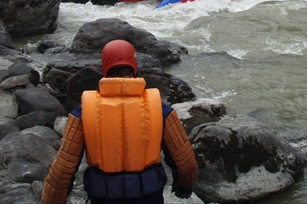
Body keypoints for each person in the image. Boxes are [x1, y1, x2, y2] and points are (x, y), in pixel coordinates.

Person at [41, 39, 197, 204]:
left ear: (105, 69)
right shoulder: (160, 109)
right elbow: (185, 162)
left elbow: (64, 169)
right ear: (134, 67)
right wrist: (183, 186)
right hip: (148, 197)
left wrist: (53, 199)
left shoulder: (83, 112)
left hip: (104, 198)